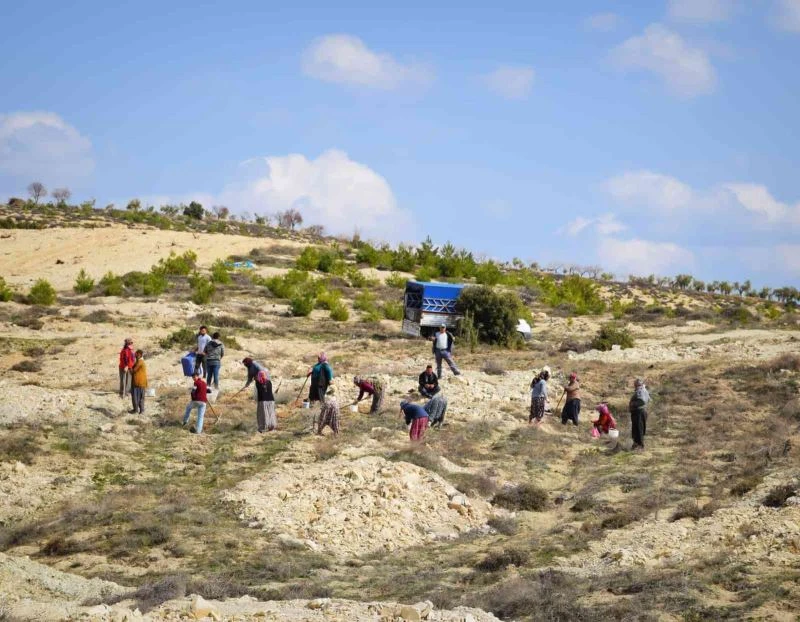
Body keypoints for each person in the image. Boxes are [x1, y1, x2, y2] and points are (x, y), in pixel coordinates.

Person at [629, 378, 651, 450]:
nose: (634, 385)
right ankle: (636, 444)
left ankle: (640, 446)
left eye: (635, 384)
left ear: (637, 384)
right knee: (637, 428)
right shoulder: (643, 390)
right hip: (640, 412)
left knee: (638, 429)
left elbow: (642, 401)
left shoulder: (640, 390)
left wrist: (633, 404)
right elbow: (648, 399)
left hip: (639, 412)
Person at [130, 349, 147, 414]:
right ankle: (138, 410)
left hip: (139, 382)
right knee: (139, 397)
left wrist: (129, 367)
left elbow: (133, 371)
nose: (135, 355)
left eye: (136, 354)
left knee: (137, 397)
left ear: (139, 354)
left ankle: (138, 410)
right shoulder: (139, 361)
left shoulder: (140, 362)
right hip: (139, 382)